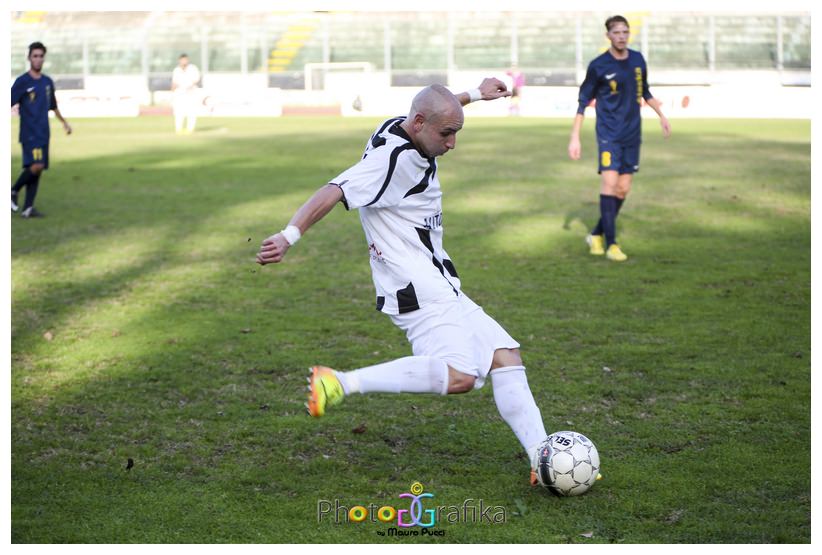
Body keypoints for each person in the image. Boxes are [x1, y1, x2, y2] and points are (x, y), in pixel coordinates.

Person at [256, 79, 550, 485]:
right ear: (420, 124)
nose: (451, 144)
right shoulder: (389, 161)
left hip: (438, 279)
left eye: (456, 133)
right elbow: (333, 190)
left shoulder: (404, 125)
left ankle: (543, 459)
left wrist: (475, 95)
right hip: (416, 283)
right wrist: (289, 236)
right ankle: (340, 382)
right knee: (462, 375)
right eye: (447, 134)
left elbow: (438, 109)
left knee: (505, 356)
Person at [568, 15, 671, 262]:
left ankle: (596, 234)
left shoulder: (637, 59)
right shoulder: (599, 65)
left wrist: (661, 114)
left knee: (623, 190)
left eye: (625, 32)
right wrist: (575, 137)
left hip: (632, 134)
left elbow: (644, 90)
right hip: (608, 135)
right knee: (610, 185)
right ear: (608, 36)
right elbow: (583, 103)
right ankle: (612, 244)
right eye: (617, 32)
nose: (622, 36)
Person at [10, 41, 72, 218]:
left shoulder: (47, 82)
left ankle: (28, 208)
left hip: (44, 133)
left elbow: (52, 106)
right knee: (36, 166)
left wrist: (64, 122)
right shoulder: (22, 81)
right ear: (29, 58)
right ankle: (12, 191)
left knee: (38, 168)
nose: (38, 59)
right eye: (35, 56)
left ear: (44, 58)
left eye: (40, 56)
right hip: (30, 134)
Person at [171, 54, 201, 134]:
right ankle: (178, 129)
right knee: (179, 111)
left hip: (191, 93)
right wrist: (172, 92)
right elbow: (174, 83)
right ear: (179, 60)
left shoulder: (193, 68)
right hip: (180, 94)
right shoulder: (176, 70)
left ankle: (190, 129)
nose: (184, 61)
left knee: (191, 111)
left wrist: (188, 85)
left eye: (185, 60)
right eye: (182, 60)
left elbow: (196, 79)